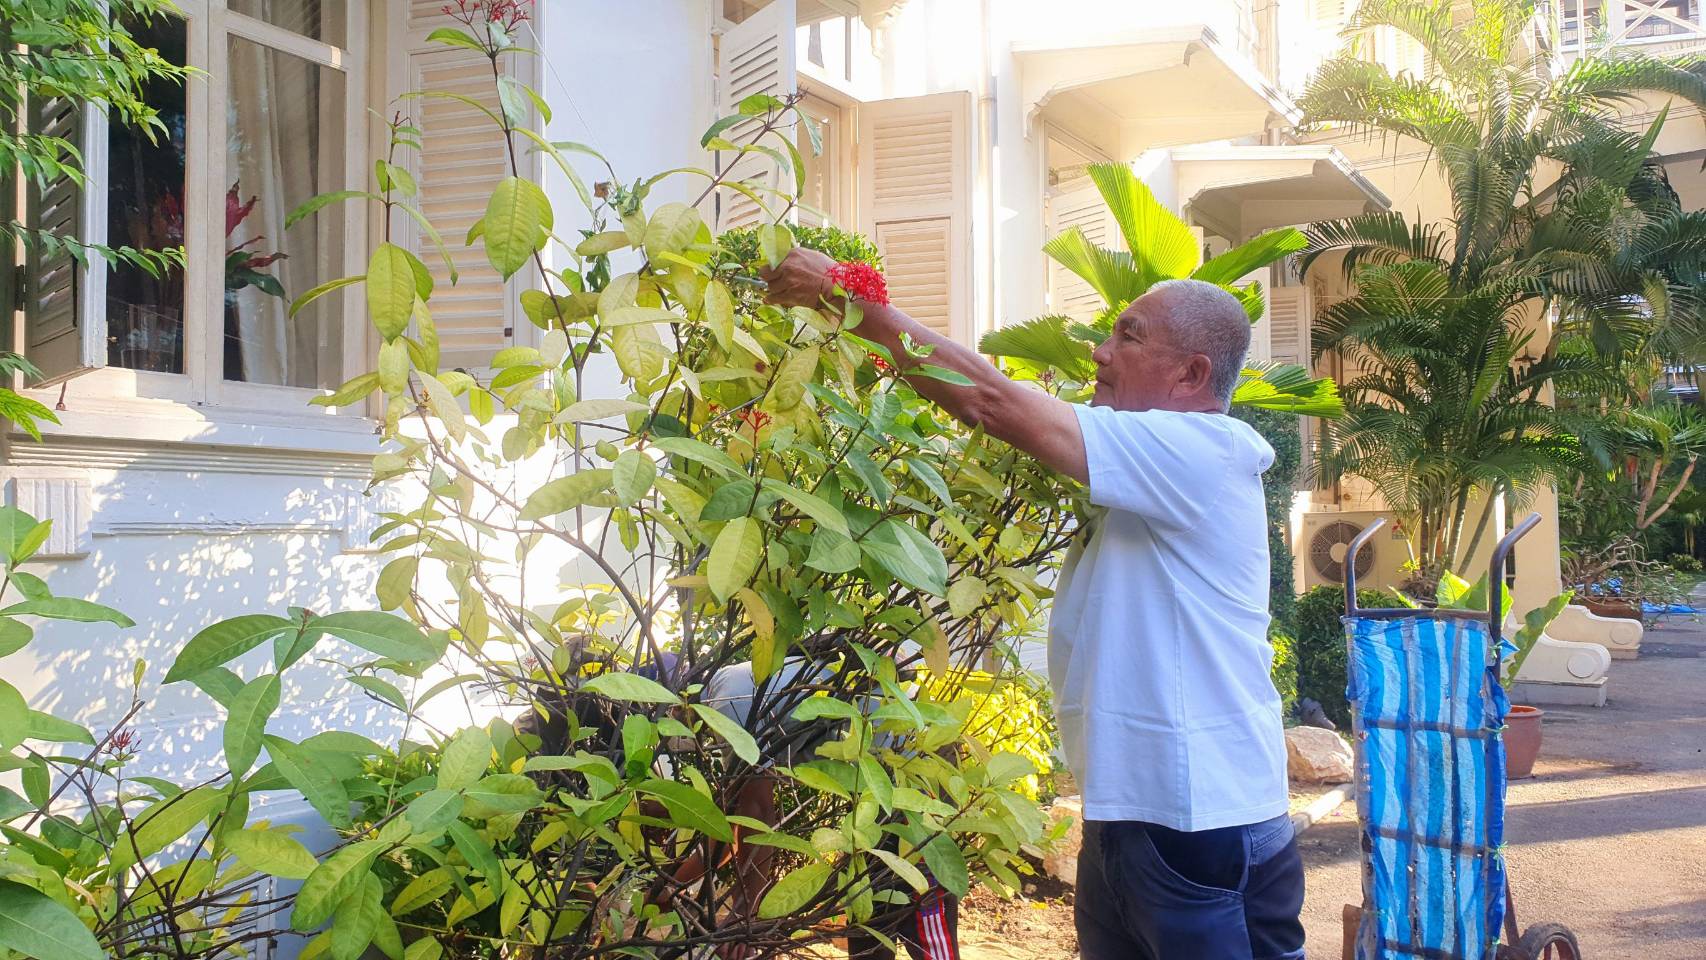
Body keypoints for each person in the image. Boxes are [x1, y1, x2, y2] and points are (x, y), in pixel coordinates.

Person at [761, 251, 1306, 960]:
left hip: (1199, 826)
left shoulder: (1202, 451)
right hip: (1139, 819)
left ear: (1191, 375)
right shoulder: (1150, 464)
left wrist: (847, 303)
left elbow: (987, 399)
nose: (1100, 353)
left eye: (1129, 337)